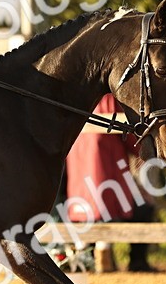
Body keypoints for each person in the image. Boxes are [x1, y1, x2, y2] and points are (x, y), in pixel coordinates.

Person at [64, 93, 159, 272]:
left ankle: (88, 258)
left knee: (88, 216)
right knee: (144, 206)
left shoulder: (76, 96)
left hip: (79, 179)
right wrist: (145, 148)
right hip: (106, 174)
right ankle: (132, 261)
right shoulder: (110, 100)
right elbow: (129, 137)